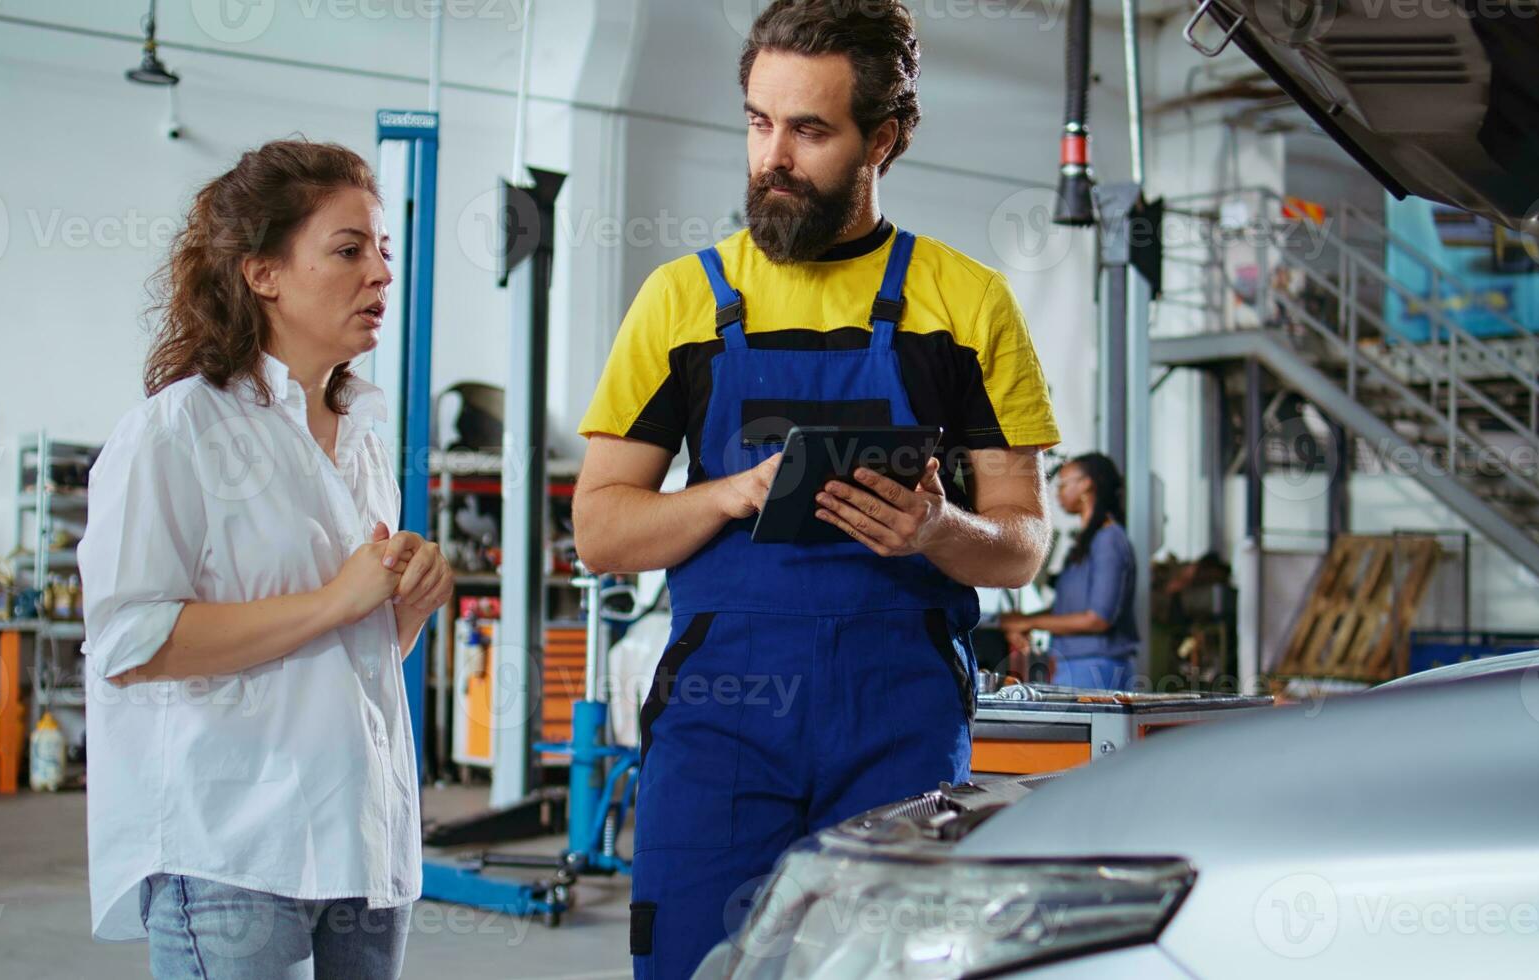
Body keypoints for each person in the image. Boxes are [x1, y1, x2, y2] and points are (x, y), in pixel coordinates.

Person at [570, 3, 1060, 976]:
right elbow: (598, 527)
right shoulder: (679, 301)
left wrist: (937, 526)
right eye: (758, 122)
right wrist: (724, 495)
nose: (773, 156)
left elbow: (1023, 540)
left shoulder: (966, 305)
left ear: (885, 136)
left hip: (899, 722)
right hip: (720, 719)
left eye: (809, 129)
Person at [77, 139, 453, 979]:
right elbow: (130, 644)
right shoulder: (178, 433)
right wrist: (334, 599)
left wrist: (406, 613)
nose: (381, 275)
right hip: (237, 852)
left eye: (384, 252)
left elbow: (347, 659)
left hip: (362, 840)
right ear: (262, 273)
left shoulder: (359, 433)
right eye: (349, 250)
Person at [1001, 453, 1140, 690]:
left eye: (1064, 484)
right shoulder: (1088, 542)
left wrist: (1030, 622)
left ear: (1086, 485)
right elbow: (1070, 610)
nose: (1058, 493)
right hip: (1074, 666)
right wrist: (1022, 622)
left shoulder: (1109, 541)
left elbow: (1097, 619)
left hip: (1095, 670)